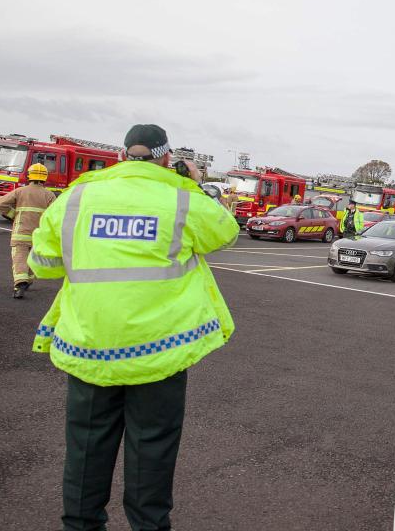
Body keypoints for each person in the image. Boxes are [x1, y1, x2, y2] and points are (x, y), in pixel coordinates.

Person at [28, 124, 240, 531]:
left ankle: (81, 525)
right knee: (152, 450)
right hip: (160, 352)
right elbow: (225, 233)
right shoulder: (181, 198)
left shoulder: (77, 195)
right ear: (165, 157)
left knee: (86, 449)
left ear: (123, 155)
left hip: (89, 347)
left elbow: (45, 265)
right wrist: (193, 183)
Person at [0, 162, 56, 298]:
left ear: (29, 176)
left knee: (19, 258)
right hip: (39, 235)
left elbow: (1, 203)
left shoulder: (20, 191)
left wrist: (13, 215)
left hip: (21, 233)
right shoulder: (49, 195)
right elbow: (55, 215)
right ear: (44, 178)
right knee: (32, 259)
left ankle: (20, 284)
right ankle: (28, 280)